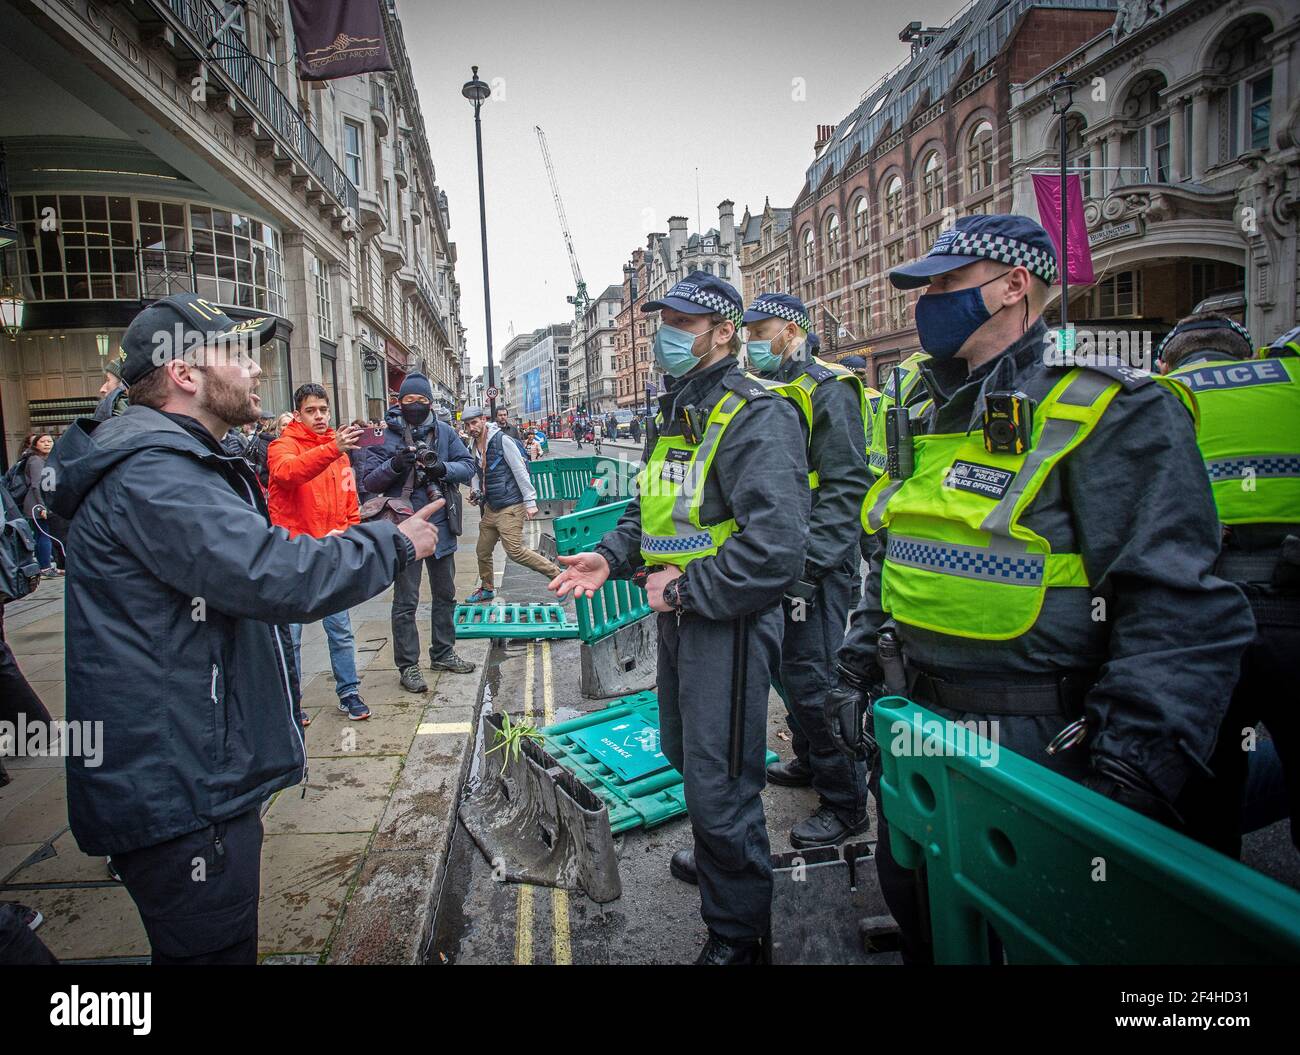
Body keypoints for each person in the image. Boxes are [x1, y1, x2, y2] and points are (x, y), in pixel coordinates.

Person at [826, 215, 1254, 964]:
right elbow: (887, 551)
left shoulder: (1111, 407)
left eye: (946, 283)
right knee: (931, 919)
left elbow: (1181, 610)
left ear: (1013, 285)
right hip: (918, 733)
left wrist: (1127, 779)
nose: (925, 301)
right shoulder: (920, 413)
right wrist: (854, 673)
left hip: (1044, 746)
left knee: (1029, 942)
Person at [45, 292, 442, 965]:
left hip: (185, 772)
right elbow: (273, 573)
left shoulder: (164, 457)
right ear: (184, 374)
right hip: (182, 789)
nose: (258, 369)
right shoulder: (154, 471)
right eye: (236, 352)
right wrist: (393, 545)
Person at [550, 273, 811, 964]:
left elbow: (777, 547)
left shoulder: (757, 412)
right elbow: (649, 511)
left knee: (721, 778)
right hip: (683, 617)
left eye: (683, 321)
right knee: (683, 752)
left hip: (725, 620)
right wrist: (609, 557)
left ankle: (738, 935)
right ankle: (721, 857)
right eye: (662, 317)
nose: (666, 331)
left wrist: (685, 592)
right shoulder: (676, 411)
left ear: (724, 330)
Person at [1159, 316, 1300, 855]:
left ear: (1167, 364)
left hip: (1200, 623)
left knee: (1204, 801)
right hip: (1294, 608)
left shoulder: (1158, 397)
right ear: (1248, 357)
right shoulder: (1289, 383)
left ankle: (1215, 918)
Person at [742, 292, 873, 847]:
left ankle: (846, 801)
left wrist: (813, 567)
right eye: (745, 330)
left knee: (814, 678)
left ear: (792, 330)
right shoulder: (768, 389)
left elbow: (845, 485)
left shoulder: (829, 387)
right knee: (785, 673)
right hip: (777, 559)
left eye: (761, 329)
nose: (751, 340)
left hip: (815, 565)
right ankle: (810, 761)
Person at [363, 373, 479, 693]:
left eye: (421, 400)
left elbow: (467, 467)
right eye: (408, 400)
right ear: (398, 402)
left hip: (440, 524)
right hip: (403, 528)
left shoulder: (444, 432)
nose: (415, 405)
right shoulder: (383, 435)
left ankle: (443, 652)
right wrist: (396, 465)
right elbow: (369, 482)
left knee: (445, 594)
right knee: (406, 600)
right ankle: (408, 666)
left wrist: (442, 468)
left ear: (430, 401)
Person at [268, 383, 371, 722]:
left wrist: (350, 536)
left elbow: (349, 500)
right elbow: (289, 474)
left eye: (323, 410)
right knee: (292, 637)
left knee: (340, 629)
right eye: (311, 411)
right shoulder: (282, 446)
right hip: (295, 556)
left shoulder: (338, 452)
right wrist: (331, 449)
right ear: (298, 414)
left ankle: (349, 691)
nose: (319, 416)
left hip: (331, 553)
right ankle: (291, 702)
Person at [462, 405, 564, 604]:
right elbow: (475, 473)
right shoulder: (473, 445)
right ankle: (487, 588)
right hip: (491, 507)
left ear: (483, 420)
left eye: (474, 422)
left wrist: (530, 501)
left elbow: (520, 471)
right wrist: (475, 492)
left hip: (511, 505)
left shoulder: (502, 441)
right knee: (482, 550)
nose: (471, 428)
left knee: (515, 551)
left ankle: (558, 575)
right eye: (467, 425)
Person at [21, 435, 61, 577]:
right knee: (44, 535)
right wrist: (43, 506)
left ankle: (44, 566)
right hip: (36, 504)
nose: (47, 444)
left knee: (41, 535)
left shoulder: (46, 460)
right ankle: (45, 567)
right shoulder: (36, 461)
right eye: (42, 442)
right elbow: (36, 485)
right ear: (35, 445)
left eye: (49, 441)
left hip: (41, 503)